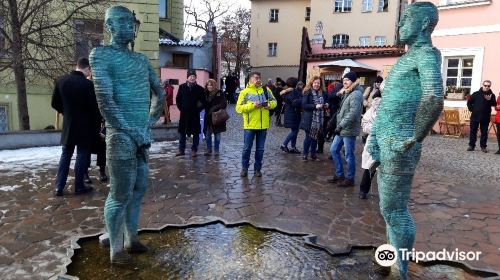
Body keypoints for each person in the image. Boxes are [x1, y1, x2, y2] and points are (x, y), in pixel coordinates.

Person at [367, 3, 444, 278]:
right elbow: (388, 103)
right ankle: (391, 260)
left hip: (400, 144)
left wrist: (415, 136)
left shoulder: (426, 55)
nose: (399, 25)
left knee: (395, 210)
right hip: (387, 141)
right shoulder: (406, 58)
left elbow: (434, 96)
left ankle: (401, 270)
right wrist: (375, 138)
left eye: (406, 19)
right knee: (387, 209)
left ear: (424, 24)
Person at [89, 5, 165, 265]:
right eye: (121, 22)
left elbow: (160, 94)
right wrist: (133, 130)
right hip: (120, 135)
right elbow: (105, 101)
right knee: (119, 193)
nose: (128, 27)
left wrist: (148, 124)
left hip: (140, 135)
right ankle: (116, 250)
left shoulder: (141, 60)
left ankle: (132, 238)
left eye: (130, 22)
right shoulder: (100, 55)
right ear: (109, 26)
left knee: (140, 187)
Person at [51, 57, 97, 196]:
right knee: (82, 153)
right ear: (87, 68)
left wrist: (66, 113)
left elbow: (54, 103)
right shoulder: (88, 85)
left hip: (68, 124)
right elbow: (94, 108)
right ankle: (79, 186)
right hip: (84, 125)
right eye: (90, 70)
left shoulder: (61, 81)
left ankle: (59, 186)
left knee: (66, 154)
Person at [236, 71, 277, 177]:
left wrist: (269, 105)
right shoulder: (244, 92)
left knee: (260, 149)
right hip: (250, 125)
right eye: (256, 78)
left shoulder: (266, 90)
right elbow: (239, 108)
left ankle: (257, 169)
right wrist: (252, 106)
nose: (258, 80)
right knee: (246, 148)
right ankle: (244, 168)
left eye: (259, 78)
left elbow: (275, 102)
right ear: (250, 79)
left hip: (263, 125)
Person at [328, 71, 363, 187]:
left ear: (353, 81)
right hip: (341, 128)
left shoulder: (356, 94)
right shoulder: (348, 92)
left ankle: (350, 178)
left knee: (349, 154)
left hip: (348, 129)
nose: (344, 81)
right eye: (344, 80)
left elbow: (353, 112)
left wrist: (341, 125)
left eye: (347, 80)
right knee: (333, 150)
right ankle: (339, 174)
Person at [176, 69, 206, 157]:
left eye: (194, 76)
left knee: (196, 133)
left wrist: (198, 109)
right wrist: (181, 108)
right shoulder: (182, 87)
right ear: (187, 77)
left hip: (194, 115)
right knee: (182, 132)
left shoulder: (200, 89)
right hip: (184, 114)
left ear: (195, 77)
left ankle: (194, 150)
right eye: (190, 76)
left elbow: (203, 101)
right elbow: (178, 99)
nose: (192, 78)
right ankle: (181, 150)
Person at [359, 90, 382, 199]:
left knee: (386, 170)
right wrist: (375, 130)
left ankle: (386, 196)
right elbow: (364, 123)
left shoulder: (393, 109)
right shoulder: (372, 110)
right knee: (370, 166)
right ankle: (363, 190)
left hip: (388, 142)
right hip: (374, 141)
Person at [299, 75, 327, 161]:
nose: (317, 84)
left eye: (318, 83)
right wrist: (315, 106)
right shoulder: (307, 92)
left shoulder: (322, 93)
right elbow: (304, 105)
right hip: (309, 119)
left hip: (319, 120)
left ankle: (313, 154)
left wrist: (326, 104)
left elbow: (327, 100)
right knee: (309, 137)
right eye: (315, 83)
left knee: (315, 137)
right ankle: (305, 154)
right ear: (312, 83)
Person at [467, 80, 497, 153]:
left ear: (490, 86)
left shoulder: (492, 95)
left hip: (485, 117)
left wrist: (489, 100)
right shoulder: (476, 94)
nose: (487, 87)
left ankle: (483, 146)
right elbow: (469, 103)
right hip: (475, 116)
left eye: (488, 86)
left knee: (484, 132)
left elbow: (494, 104)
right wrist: (473, 110)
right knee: (473, 131)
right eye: (485, 85)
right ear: (483, 85)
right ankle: (471, 145)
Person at [203, 79, 227, 156]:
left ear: (214, 85)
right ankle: (209, 149)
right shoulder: (205, 93)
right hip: (208, 117)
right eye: (208, 85)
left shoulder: (219, 93)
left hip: (217, 116)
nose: (209, 86)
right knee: (207, 134)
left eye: (211, 85)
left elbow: (224, 104)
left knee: (217, 135)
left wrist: (214, 108)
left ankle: (216, 150)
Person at [280, 77, 301, 154]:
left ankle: (293, 147)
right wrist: (302, 101)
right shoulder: (293, 92)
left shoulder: (287, 91)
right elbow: (295, 103)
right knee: (294, 131)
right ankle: (284, 144)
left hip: (290, 113)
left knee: (294, 131)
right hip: (293, 114)